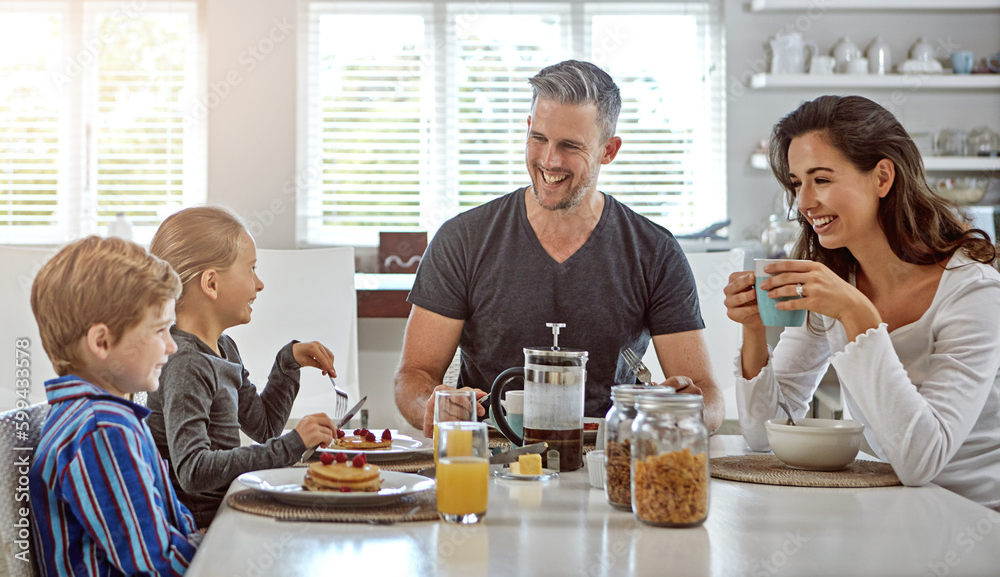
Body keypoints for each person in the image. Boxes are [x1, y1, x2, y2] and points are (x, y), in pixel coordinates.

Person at [395, 59, 723, 436]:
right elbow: (413, 376)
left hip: (608, 460)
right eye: (539, 138)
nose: (549, 160)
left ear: (608, 150)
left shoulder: (655, 251)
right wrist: (430, 403)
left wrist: (687, 410)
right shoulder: (462, 240)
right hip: (491, 461)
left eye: (570, 146)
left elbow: (707, 395)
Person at [724, 95, 1000, 510]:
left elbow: (921, 461)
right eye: (798, 183)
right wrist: (754, 329)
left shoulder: (974, 291)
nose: (803, 203)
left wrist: (856, 315)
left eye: (822, 180)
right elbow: (764, 435)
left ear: (882, 177)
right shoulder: (835, 278)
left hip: (975, 517)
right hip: (892, 506)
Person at [145, 205, 338, 527]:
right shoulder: (186, 365)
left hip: (227, 513)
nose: (259, 284)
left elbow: (263, 428)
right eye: (251, 270)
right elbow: (193, 470)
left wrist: (287, 364)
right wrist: (293, 444)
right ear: (211, 283)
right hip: (200, 530)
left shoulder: (223, 348)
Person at [28, 236, 201, 575]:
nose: (171, 346)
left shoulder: (98, 420)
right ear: (102, 342)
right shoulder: (102, 431)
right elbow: (155, 566)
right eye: (160, 330)